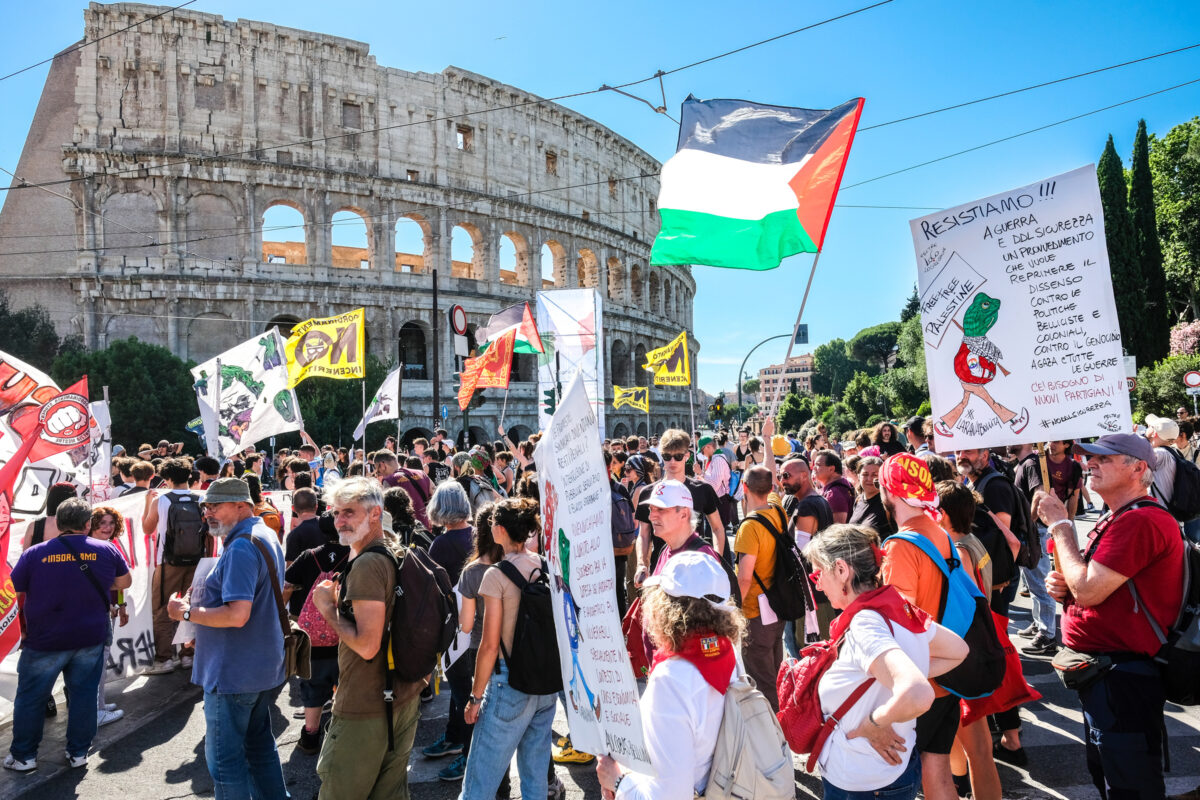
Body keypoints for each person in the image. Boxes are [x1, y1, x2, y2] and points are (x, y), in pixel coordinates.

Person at [1031, 434, 1184, 800]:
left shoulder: (1139, 521)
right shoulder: (1119, 517)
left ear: (1138, 468)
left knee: (1130, 786)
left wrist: (1061, 526)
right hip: (1109, 675)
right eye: (1090, 457)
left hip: (1124, 677)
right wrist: (1064, 581)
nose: (1091, 463)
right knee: (1113, 776)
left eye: (1106, 458)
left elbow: (1088, 588)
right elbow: (1085, 583)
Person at [805, 523, 967, 800]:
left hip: (863, 780)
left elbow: (917, 693)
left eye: (818, 573)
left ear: (842, 570)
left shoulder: (865, 623)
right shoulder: (896, 606)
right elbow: (958, 650)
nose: (816, 582)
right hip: (893, 771)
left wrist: (875, 722)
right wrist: (904, 675)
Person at [167, 478, 288, 800]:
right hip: (257, 666)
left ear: (241, 505)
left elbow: (237, 615)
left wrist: (187, 615)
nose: (208, 512)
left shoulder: (243, 545)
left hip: (235, 671)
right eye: (206, 506)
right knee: (260, 748)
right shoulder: (260, 534)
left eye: (215, 505)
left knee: (226, 762)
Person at [310, 476, 426, 800]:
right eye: (335, 513)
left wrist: (328, 610)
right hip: (402, 695)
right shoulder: (393, 548)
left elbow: (367, 645)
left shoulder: (368, 565)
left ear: (375, 514)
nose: (339, 521)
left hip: (366, 705)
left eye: (349, 512)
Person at [595, 551, 745, 799]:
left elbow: (670, 795)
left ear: (666, 608)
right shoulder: (727, 650)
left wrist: (619, 781)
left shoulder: (671, 678)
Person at [5, 499, 132, 772]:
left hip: (44, 638)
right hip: (90, 636)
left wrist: (22, 629)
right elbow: (124, 583)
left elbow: (13, 593)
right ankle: (78, 753)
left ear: (60, 523)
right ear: (88, 524)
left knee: (31, 697)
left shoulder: (34, 554)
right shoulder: (106, 549)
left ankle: (24, 757)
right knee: (84, 695)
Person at [459, 498, 557, 800]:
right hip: (544, 683)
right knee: (535, 773)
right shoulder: (543, 564)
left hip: (508, 683)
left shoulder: (496, 575)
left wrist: (475, 698)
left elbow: (489, 645)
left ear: (499, 530)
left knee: (480, 779)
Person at [878, 453, 962, 800]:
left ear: (890, 492)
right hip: (946, 672)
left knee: (908, 781)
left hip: (919, 680)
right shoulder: (939, 533)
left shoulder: (900, 546)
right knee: (937, 773)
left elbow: (900, 621)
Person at [934, 482, 1003, 800]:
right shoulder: (972, 542)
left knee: (979, 751)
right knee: (964, 744)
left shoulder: (959, 551)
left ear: (944, 514)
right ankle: (959, 786)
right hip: (978, 649)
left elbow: (962, 607)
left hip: (966, 655)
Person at [424, 504, 502, 783]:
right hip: (511, 652)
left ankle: (470, 761)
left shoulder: (474, 571)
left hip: (475, 647)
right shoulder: (522, 562)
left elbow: (466, 625)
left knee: (471, 704)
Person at [283, 512, 349, 755]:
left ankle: (310, 735)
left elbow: (287, 585)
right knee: (344, 685)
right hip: (345, 633)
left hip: (312, 640)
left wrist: (282, 617)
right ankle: (340, 735)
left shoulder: (308, 556)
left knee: (312, 686)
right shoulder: (355, 555)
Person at [633, 429, 726, 583]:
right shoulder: (648, 493)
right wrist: (642, 564)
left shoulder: (702, 489)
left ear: (687, 456)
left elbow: (717, 528)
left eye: (678, 456)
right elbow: (643, 534)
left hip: (696, 567)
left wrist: (716, 560)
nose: (672, 462)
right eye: (667, 457)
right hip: (661, 568)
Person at [141, 457, 204, 674]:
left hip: (168, 562)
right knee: (192, 606)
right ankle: (188, 655)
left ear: (166, 478)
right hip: (197, 561)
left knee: (162, 610)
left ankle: (164, 658)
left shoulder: (162, 500)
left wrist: (148, 503)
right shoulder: (201, 499)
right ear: (189, 476)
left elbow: (147, 529)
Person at [732, 465, 787, 711]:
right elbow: (769, 473)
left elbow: (744, 578)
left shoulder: (749, 527)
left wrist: (733, 612)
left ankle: (774, 732)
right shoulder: (777, 510)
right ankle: (783, 719)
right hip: (778, 606)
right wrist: (766, 440)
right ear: (771, 487)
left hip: (755, 611)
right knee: (775, 671)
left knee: (761, 680)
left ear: (744, 488)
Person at [88, 506, 130, 727]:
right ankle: (95, 711)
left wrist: (120, 605)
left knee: (101, 661)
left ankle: (100, 705)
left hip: (109, 609)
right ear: (92, 524)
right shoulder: (90, 548)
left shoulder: (112, 546)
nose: (107, 527)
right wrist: (109, 604)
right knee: (96, 662)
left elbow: (120, 583)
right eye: (102, 523)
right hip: (97, 612)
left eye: (111, 523)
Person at [849, 456, 893, 537]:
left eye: (874, 475)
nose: (869, 479)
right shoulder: (858, 500)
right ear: (858, 476)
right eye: (865, 474)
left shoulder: (888, 503)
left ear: (882, 476)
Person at [814, 450, 854, 524]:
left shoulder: (835, 494)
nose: (814, 468)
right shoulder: (836, 488)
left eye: (818, 465)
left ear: (831, 469)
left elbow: (838, 529)